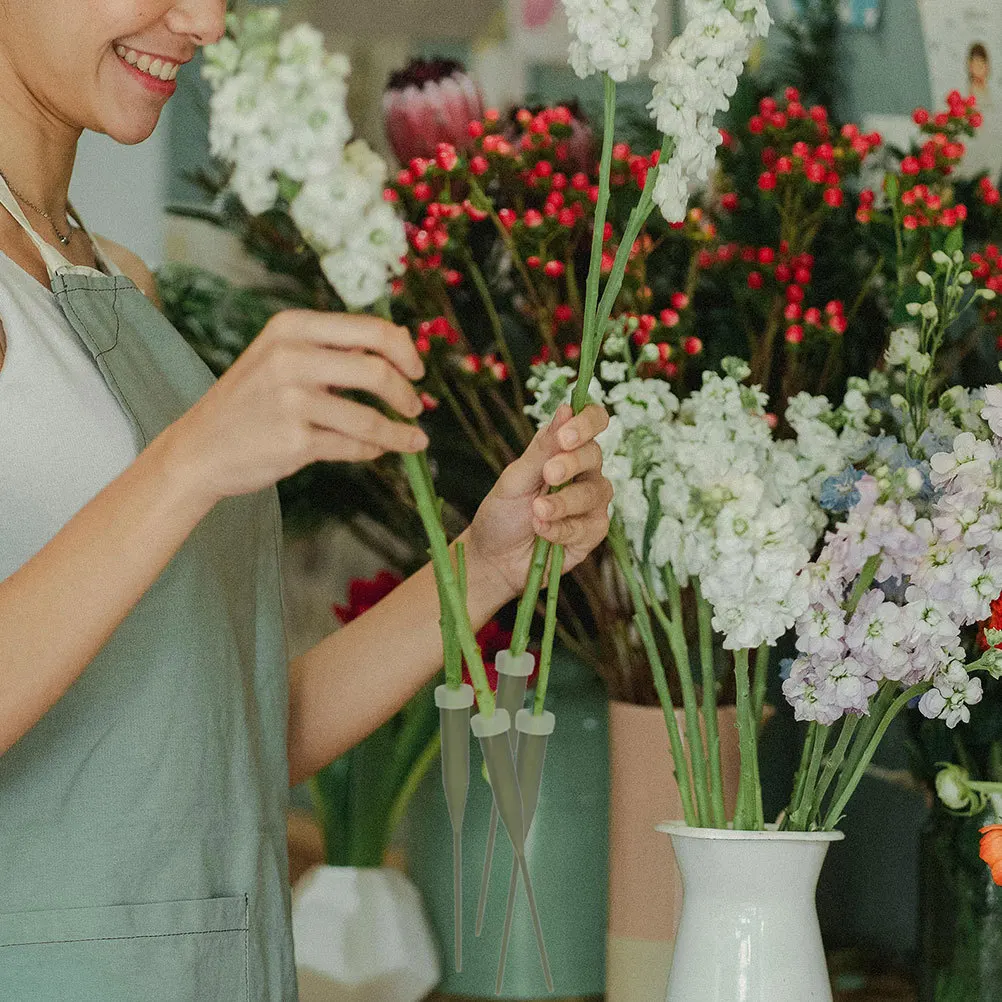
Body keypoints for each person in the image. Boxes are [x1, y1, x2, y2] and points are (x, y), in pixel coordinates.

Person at [0, 2, 613, 999]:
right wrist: (191, 459)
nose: (202, 20)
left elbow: (233, 736)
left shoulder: (120, 284)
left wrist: (487, 562)